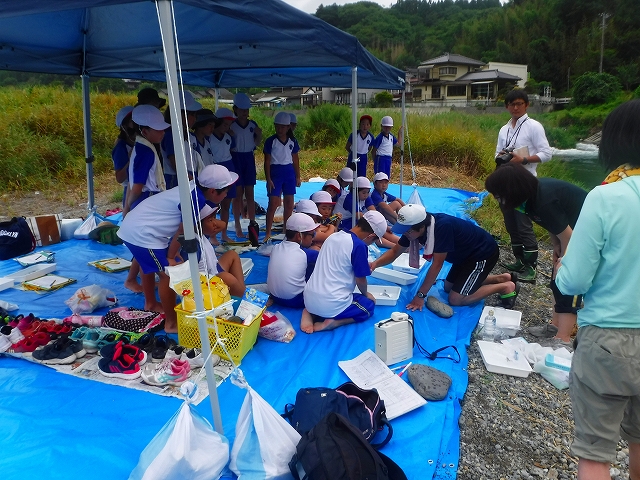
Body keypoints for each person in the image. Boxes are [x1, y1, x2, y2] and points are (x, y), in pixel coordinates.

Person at [554, 99, 640, 480]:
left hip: (608, 340)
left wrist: (561, 268)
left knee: (595, 452)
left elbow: (574, 282)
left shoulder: (606, 196)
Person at [117, 164, 239, 333]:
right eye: (225, 191)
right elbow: (183, 230)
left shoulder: (195, 187)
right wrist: (171, 256)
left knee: (149, 262)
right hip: (142, 234)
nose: (227, 194)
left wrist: (170, 253)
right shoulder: (197, 199)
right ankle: (171, 323)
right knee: (168, 275)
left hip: (136, 225)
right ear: (212, 191)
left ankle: (151, 302)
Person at [485, 162, 587, 344]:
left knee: (568, 283)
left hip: (585, 235)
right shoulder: (528, 199)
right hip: (571, 235)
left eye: (499, 195)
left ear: (511, 190)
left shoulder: (543, 199)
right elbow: (553, 223)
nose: (498, 200)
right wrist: (556, 245)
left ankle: (562, 338)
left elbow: (570, 237)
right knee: (555, 281)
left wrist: (565, 258)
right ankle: (554, 327)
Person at [370, 204, 518, 311]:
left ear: (420, 227)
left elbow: (437, 265)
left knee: (455, 299)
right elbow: (396, 251)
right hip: (462, 256)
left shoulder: (441, 228)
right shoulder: (415, 229)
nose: (405, 235)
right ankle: (501, 278)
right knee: (448, 287)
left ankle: (505, 287)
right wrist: (375, 264)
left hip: (481, 255)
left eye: (407, 232)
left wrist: (420, 296)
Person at [495, 89, 552, 283]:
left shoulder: (534, 126)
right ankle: (519, 260)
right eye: (512, 104)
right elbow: (497, 154)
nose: (516, 107)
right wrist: (503, 155)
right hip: (506, 183)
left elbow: (547, 153)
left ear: (526, 105)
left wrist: (524, 159)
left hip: (525, 183)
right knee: (511, 225)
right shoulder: (504, 129)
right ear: (506, 106)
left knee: (523, 225)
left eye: (519, 104)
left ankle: (531, 267)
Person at [301, 211, 387, 334]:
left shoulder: (333, 236)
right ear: (371, 235)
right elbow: (360, 280)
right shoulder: (359, 246)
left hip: (308, 298)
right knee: (368, 306)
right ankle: (335, 322)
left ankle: (309, 313)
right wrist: (366, 293)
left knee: (327, 296)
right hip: (330, 304)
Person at [168, 204, 246, 298]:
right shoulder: (191, 244)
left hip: (212, 271)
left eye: (214, 218)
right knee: (227, 277)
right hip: (204, 283)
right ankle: (243, 295)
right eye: (210, 220)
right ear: (197, 224)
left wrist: (208, 219)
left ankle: (241, 289)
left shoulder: (201, 233)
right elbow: (188, 277)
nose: (215, 223)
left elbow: (222, 224)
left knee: (232, 255)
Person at [123, 105, 168, 217]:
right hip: (147, 202)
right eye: (159, 129)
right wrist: (129, 206)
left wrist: (127, 208)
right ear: (145, 132)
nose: (163, 132)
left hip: (142, 203)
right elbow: (137, 188)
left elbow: (131, 183)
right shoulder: (146, 152)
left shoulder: (138, 147)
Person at [267, 213, 320, 308]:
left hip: (275, 297)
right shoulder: (305, 254)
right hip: (296, 300)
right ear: (299, 236)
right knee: (316, 265)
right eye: (312, 234)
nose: (314, 238)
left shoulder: (275, 248)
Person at [263, 111, 301, 239]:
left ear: (288, 127)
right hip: (275, 171)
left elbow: (295, 159)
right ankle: (268, 232)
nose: (280, 129)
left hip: (289, 172)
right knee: (273, 203)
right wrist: (268, 178)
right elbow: (267, 161)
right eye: (278, 126)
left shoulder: (292, 141)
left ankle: (286, 230)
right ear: (275, 126)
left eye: (283, 127)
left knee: (289, 203)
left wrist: (298, 176)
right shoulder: (271, 141)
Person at [230, 93, 262, 240]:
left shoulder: (252, 125)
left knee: (250, 192)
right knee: (237, 194)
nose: (245, 112)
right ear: (235, 109)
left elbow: (257, 143)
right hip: (236, 158)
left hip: (248, 157)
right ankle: (237, 224)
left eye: (246, 110)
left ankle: (252, 222)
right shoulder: (231, 126)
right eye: (242, 109)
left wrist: (259, 135)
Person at [160, 90, 203, 189]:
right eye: (192, 115)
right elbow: (175, 161)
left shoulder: (189, 135)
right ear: (180, 114)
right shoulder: (170, 134)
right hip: (175, 179)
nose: (195, 119)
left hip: (191, 176)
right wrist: (189, 178)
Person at [210, 107, 239, 244]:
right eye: (224, 124)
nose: (226, 128)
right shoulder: (209, 138)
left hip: (229, 167)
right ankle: (213, 235)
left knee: (226, 204)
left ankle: (224, 234)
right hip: (216, 169)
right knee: (214, 205)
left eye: (228, 125)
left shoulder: (229, 137)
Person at [112, 106, 135, 208]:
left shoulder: (137, 142)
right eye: (132, 121)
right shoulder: (121, 147)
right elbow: (120, 178)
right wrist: (131, 160)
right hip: (131, 190)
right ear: (124, 126)